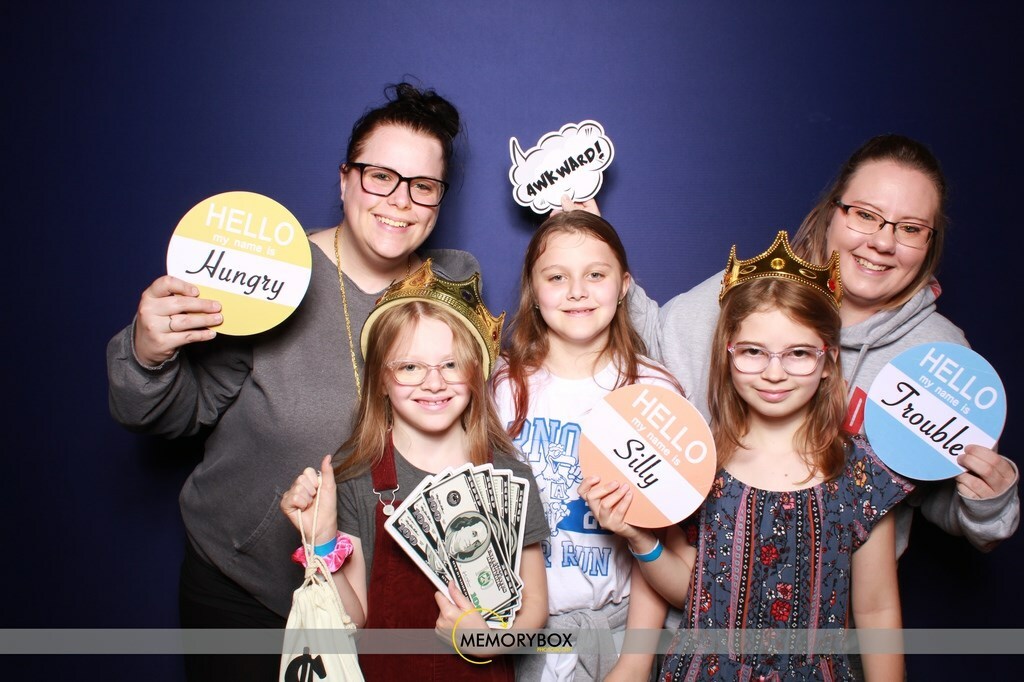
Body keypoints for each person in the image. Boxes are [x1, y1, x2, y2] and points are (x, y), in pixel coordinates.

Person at [106, 82, 478, 680]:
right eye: (380, 176)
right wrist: (148, 355)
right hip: (246, 589)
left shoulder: (452, 293)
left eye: (423, 186)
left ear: (438, 201)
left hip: (377, 602)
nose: (400, 201)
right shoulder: (271, 276)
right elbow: (173, 415)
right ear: (345, 180)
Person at [628, 134, 1018, 559]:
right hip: (691, 575)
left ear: (930, 243)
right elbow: (650, 344)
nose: (883, 243)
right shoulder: (756, 294)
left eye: (910, 228)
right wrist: (590, 251)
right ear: (832, 212)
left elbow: (941, 498)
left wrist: (988, 500)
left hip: (833, 593)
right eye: (865, 215)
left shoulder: (939, 355)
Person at [583, 231, 913, 680]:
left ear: (829, 360)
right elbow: (690, 591)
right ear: (728, 354)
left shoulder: (859, 475)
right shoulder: (698, 463)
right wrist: (640, 539)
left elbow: (876, 611)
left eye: (799, 353)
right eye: (754, 352)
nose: (774, 372)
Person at [280, 260, 550, 680]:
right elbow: (355, 619)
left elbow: (535, 611)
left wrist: (489, 641)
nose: (433, 383)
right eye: (410, 367)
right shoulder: (357, 479)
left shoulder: (510, 478)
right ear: (381, 381)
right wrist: (320, 543)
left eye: (451, 365)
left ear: (476, 372)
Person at [492, 210, 679, 681]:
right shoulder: (501, 388)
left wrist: (635, 661)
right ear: (533, 290)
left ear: (624, 286)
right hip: (516, 633)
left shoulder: (653, 395)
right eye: (557, 277)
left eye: (596, 275)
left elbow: (660, 537)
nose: (577, 291)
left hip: (614, 635)